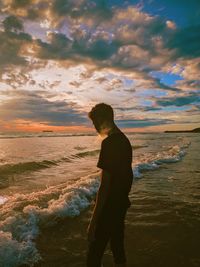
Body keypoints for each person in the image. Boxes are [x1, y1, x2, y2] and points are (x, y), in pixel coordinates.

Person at [87, 103, 133, 267]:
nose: (94, 127)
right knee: (117, 248)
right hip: (121, 204)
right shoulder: (124, 140)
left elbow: (104, 187)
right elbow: (128, 176)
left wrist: (93, 223)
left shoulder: (109, 143)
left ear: (102, 119)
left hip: (110, 208)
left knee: (93, 256)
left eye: (94, 123)